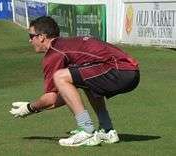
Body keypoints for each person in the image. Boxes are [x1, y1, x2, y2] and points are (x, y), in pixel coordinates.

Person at [10, 16, 140, 147]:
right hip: (129, 72)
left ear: (42, 37)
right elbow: (64, 96)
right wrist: (35, 107)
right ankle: (107, 130)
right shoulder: (66, 44)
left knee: (60, 76)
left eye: (31, 36)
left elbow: (51, 98)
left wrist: (30, 108)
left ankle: (86, 130)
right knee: (85, 82)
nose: (29, 40)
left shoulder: (54, 53)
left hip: (120, 71)